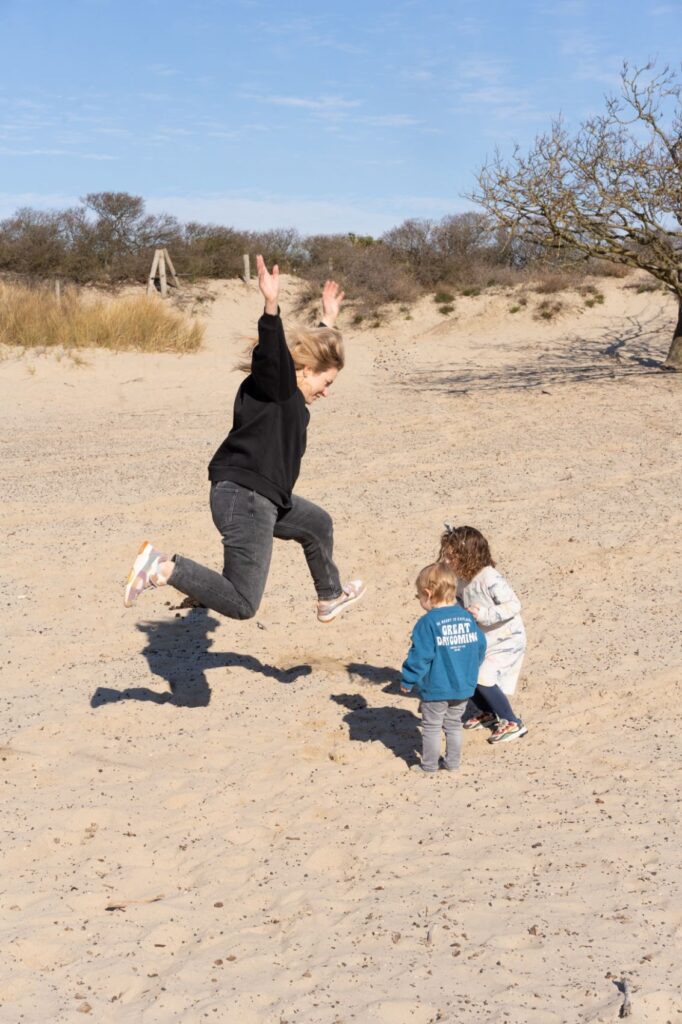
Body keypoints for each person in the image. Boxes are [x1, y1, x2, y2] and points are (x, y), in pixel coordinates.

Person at [124, 255, 365, 624]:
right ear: (303, 371)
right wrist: (270, 308)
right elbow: (274, 356)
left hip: (261, 496)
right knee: (242, 602)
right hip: (246, 498)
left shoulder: (289, 391)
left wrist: (328, 320)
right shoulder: (279, 384)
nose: (326, 392)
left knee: (317, 524)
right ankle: (166, 567)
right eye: (326, 383)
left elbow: (304, 355)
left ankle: (329, 596)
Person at [439, 524, 527, 744]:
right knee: (468, 675)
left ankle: (512, 722)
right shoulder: (461, 579)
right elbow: (460, 601)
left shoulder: (489, 577)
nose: (447, 561)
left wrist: (484, 614)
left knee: (483, 678)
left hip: (507, 638)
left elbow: (514, 605)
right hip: (484, 639)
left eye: (452, 557)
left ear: (469, 556)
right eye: (446, 556)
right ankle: (489, 713)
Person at [400, 562, 486, 774]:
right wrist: (472, 668)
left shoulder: (428, 622)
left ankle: (429, 766)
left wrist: (408, 679)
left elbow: (420, 655)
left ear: (428, 594)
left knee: (431, 726)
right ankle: (453, 763)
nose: (420, 600)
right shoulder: (467, 617)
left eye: (419, 596)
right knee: (454, 724)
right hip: (464, 686)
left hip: (437, 687)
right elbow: (481, 645)